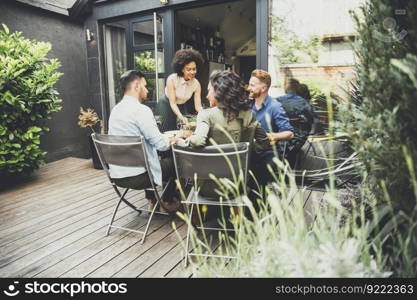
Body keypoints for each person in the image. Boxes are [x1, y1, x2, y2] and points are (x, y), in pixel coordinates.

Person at [183, 70, 272, 204]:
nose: (207, 96)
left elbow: (198, 141)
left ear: (219, 91)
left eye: (209, 91)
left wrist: (183, 140)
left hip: (207, 187)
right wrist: (246, 150)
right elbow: (264, 143)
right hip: (237, 186)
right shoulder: (248, 114)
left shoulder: (206, 115)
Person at [108, 70, 181, 212]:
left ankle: (152, 199)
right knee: (176, 162)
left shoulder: (115, 110)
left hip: (117, 175)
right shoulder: (141, 110)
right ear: (136, 86)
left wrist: (166, 138)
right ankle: (167, 200)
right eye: (145, 86)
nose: (147, 90)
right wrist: (175, 138)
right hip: (139, 177)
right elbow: (161, 145)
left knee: (153, 158)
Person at [248, 69, 294, 160]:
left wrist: (271, 136)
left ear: (264, 88)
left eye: (252, 85)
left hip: (265, 153)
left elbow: (290, 133)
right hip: (248, 151)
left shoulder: (275, 107)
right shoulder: (247, 105)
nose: (248, 88)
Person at [158, 49, 204, 131]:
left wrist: (205, 114)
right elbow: (173, 103)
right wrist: (180, 116)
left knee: (183, 129)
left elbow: (198, 106)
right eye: (188, 69)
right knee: (167, 129)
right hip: (167, 103)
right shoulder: (172, 79)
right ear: (182, 69)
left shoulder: (196, 84)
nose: (192, 72)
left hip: (182, 105)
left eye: (194, 69)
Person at [277, 78, 316, 167]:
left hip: (281, 135)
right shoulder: (303, 102)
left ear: (285, 87)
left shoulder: (277, 100)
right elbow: (312, 119)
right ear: (297, 88)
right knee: (294, 151)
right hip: (298, 136)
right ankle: (292, 167)